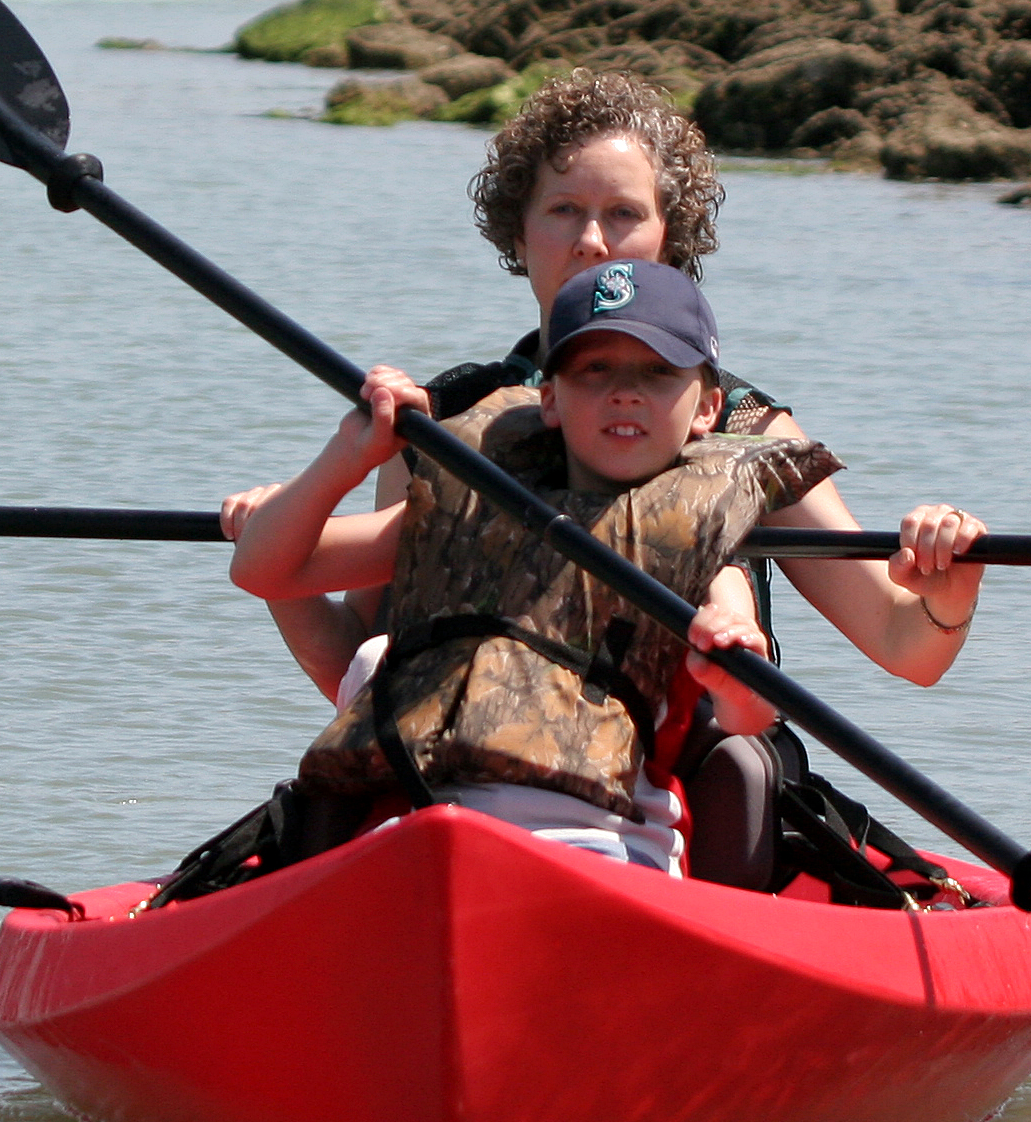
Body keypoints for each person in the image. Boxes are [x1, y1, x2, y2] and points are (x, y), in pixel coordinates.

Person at [222, 69, 982, 887]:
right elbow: (357, 661)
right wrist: (286, 526)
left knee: (741, 767)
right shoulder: (440, 425)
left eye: (623, 214)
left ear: (668, 236)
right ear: (519, 235)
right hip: (477, 764)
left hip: (694, 766)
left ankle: (724, 951)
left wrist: (948, 587)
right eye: (563, 212)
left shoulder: (746, 431)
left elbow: (908, 645)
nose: (592, 240)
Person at [228, 262, 863, 874]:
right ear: (550, 400)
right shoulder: (470, 508)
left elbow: (749, 718)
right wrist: (347, 457)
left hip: (600, 854)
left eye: (658, 371)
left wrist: (732, 666)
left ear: (706, 409)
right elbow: (265, 570)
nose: (625, 390)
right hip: (419, 832)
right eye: (594, 369)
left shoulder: (707, 565)